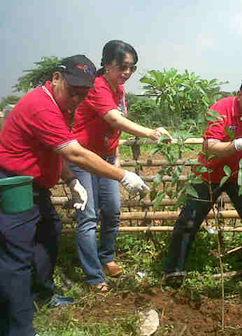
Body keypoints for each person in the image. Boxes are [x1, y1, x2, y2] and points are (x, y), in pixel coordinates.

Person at [0, 55, 148, 336]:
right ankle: (17, 328)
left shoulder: (63, 105)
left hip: (37, 186)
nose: (77, 98)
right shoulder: (41, 106)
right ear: (56, 78)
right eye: (73, 91)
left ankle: (43, 295)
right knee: (16, 255)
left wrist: (70, 180)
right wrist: (123, 175)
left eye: (84, 93)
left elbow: (56, 149)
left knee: (49, 235)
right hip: (15, 183)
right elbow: (75, 152)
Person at [70, 40, 172, 292]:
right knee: (88, 216)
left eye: (132, 68)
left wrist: (115, 155)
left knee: (113, 210)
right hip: (83, 157)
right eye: (122, 66)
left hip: (105, 158)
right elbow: (113, 117)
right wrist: (150, 133)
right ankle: (94, 276)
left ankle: (106, 256)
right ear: (107, 65)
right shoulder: (97, 87)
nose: (127, 72)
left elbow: (113, 126)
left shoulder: (119, 90)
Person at [164, 70, 242, 288]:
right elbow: (209, 147)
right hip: (209, 173)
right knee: (188, 221)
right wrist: (238, 144)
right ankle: (173, 272)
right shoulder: (222, 109)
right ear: (240, 94)